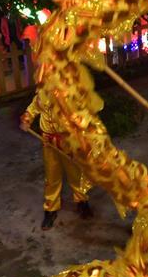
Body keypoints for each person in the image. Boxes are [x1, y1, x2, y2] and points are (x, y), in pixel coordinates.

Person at [20, 91, 93, 230]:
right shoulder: (41, 95)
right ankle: (50, 209)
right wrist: (26, 119)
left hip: (67, 141)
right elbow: (33, 108)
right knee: (52, 176)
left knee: (75, 174)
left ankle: (82, 201)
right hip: (48, 142)